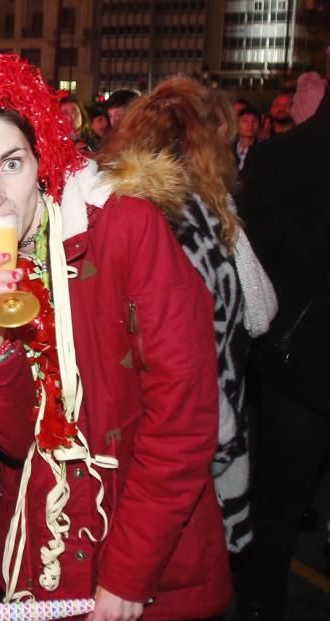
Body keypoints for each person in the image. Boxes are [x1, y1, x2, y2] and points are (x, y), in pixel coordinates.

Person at [0, 51, 230, 621]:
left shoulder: (124, 227)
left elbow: (184, 418)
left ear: (42, 160)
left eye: (10, 164)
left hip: (141, 551)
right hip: (42, 555)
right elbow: (19, 442)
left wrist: (127, 573)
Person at [98, 76, 277, 556]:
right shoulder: (208, 212)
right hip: (201, 426)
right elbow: (261, 312)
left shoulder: (109, 204)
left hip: (129, 422)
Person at [220, 71, 329, 621]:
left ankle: (259, 610)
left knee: (280, 499)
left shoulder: (280, 158)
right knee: (282, 500)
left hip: (294, 360)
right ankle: (259, 609)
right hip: (300, 360)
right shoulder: (286, 157)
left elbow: (252, 270)